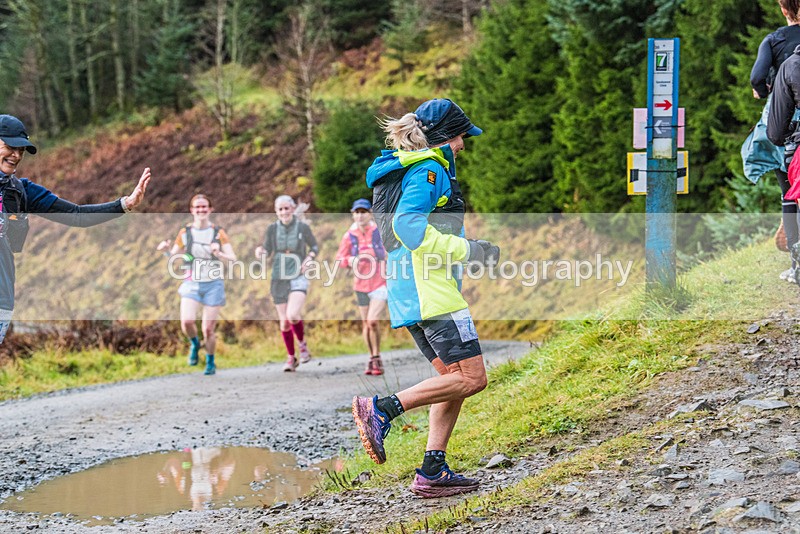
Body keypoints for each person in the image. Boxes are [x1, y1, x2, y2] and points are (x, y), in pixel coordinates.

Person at [351, 98, 499, 498]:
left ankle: (432, 469)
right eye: (461, 137)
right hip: (430, 290)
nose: (464, 145)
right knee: (472, 379)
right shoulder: (429, 168)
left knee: (452, 381)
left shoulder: (401, 168)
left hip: (407, 289)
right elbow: (409, 227)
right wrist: (470, 250)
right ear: (445, 137)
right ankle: (383, 409)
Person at [0, 114, 151, 344]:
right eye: (11, 146)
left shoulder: (21, 191)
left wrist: (125, 204)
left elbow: (76, 215)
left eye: (21, 150)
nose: (17, 155)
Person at [157, 194, 236, 375]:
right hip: (191, 281)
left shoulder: (218, 233)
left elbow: (233, 259)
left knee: (208, 329)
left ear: (210, 210)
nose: (201, 210)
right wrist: (166, 250)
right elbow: (174, 259)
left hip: (213, 283)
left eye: (204, 207)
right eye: (197, 207)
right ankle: (194, 344)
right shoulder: (185, 233)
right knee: (187, 322)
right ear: (192, 210)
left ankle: (210, 361)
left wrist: (219, 254)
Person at [750, 0, 800, 281]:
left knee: (790, 193)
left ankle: (797, 266)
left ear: (784, 10)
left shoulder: (775, 40)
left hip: (788, 121)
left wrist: (763, 89)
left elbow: (757, 76)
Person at [255, 195, 319, 372]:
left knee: (292, 315)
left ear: (292, 209)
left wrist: (309, 259)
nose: (284, 212)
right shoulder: (272, 229)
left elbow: (314, 247)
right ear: (276, 211)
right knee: (283, 322)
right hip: (278, 276)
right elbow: (267, 249)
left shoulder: (303, 227)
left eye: (287, 208)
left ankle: (302, 344)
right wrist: (260, 251)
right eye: (280, 209)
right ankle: (291, 357)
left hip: (298, 274)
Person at [335, 198, 388, 375]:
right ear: (353, 215)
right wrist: (352, 260)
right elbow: (339, 259)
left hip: (380, 282)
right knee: (366, 323)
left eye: (363, 212)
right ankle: (373, 358)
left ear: (370, 213)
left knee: (373, 321)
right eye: (357, 212)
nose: (360, 216)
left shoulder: (378, 231)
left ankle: (376, 355)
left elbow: (391, 251)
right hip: (360, 284)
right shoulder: (349, 236)